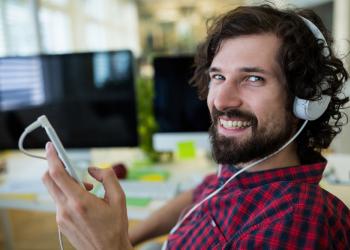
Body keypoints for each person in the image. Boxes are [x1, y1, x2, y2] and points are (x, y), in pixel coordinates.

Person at [42, 4, 350, 250]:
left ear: (306, 98)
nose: (221, 100)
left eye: (253, 78)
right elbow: (197, 195)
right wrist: (128, 237)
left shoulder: (294, 224)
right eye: (218, 77)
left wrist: (109, 245)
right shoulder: (243, 170)